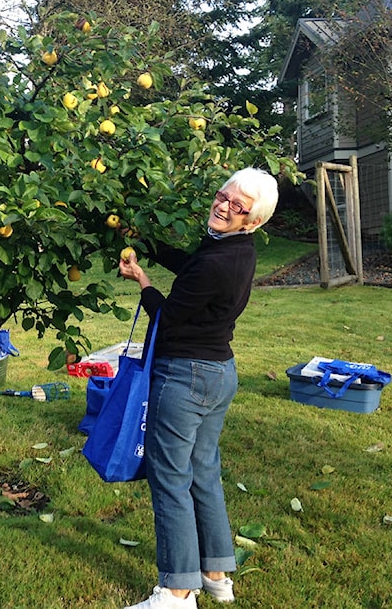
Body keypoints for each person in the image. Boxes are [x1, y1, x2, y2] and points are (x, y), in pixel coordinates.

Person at [118, 168, 279, 608]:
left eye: (238, 206)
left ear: (253, 220)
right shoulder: (234, 249)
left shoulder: (215, 263)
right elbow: (190, 262)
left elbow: (166, 315)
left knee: (170, 477)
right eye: (223, 195)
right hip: (218, 373)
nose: (224, 205)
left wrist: (142, 281)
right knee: (203, 471)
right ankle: (216, 573)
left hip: (186, 375)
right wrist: (145, 243)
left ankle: (176, 591)